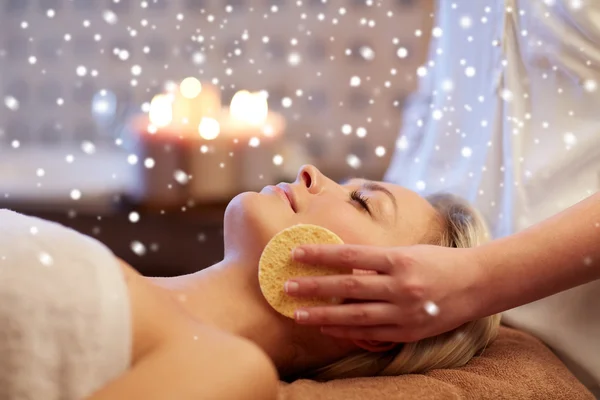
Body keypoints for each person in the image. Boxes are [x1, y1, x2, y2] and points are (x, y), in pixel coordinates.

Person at [285, 0, 600, 394]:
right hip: (429, 324)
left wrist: (479, 278)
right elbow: (444, 100)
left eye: (361, 200)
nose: (308, 175)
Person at [0, 165, 499, 399]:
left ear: (379, 310)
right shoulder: (117, 276)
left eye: (362, 203)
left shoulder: (230, 367)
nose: (311, 172)